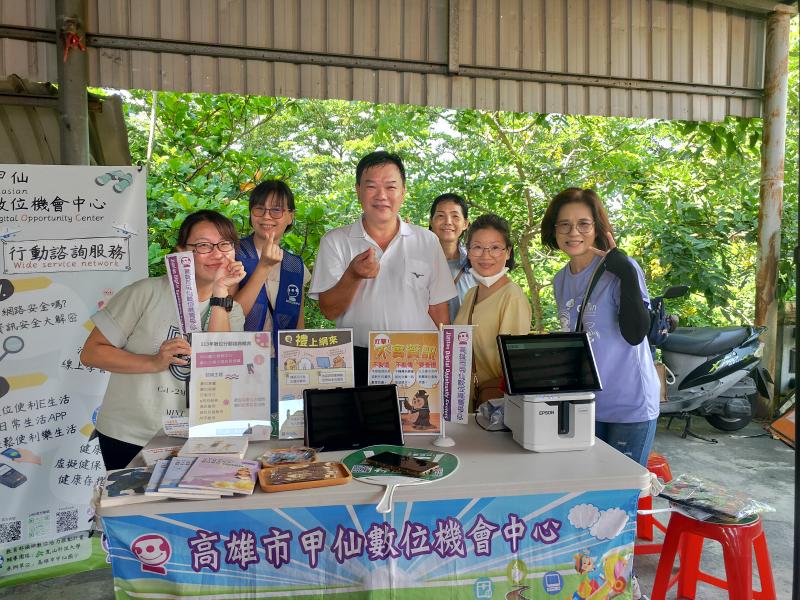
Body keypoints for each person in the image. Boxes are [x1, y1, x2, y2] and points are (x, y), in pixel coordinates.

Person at [81, 210, 246, 470]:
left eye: (225, 244)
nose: (217, 253)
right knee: (132, 509)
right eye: (203, 245)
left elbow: (217, 370)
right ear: (182, 251)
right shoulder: (145, 292)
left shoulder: (230, 309)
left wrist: (220, 291)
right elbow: (91, 353)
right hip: (129, 434)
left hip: (196, 437)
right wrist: (153, 362)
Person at [309, 151, 456, 385]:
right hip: (357, 358)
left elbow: (438, 309)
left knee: (417, 419)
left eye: (390, 187)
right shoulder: (335, 241)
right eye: (371, 187)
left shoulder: (426, 241)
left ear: (403, 191)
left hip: (417, 359)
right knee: (359, 422)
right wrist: (353, 275)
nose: (382, 196)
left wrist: (448, 364)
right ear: (358, 190)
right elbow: (329, 310)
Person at [541, 187, 658, 467]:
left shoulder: (621, 270)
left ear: (597, 228)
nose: (573, 233)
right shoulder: (560, 280)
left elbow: (635, 334)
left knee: (622, 495)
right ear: (554, 230)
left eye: (583, 224)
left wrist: (627, 273)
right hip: (586, 406)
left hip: (630, 404)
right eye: (565, 225)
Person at [234, 179, 310, 413]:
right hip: (240, 360)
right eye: (259, 208)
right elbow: (230, 315)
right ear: (251, 213)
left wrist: (300, 363)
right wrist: (263, 267)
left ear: (290, 216)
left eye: (276, 209)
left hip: (282, 362)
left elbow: (298, 320)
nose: (267, 216)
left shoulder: (295, 265)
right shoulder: (233, 253)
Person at [454, 214, 531, 408]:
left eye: (495, 248)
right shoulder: (472, 294)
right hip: (466, 402)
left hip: (495, 405)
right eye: (477, 247)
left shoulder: (512, 296)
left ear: (507, 252)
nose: (486, 255)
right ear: (469, 252)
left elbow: (514, 365)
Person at [429, 193, 476, 322]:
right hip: (423, 340)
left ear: (465, 223)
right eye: (440, 216)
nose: (448, 222)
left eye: (455, 216)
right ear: (431, 221)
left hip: (466, 341)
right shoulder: (417, 263)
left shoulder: (476, 265)